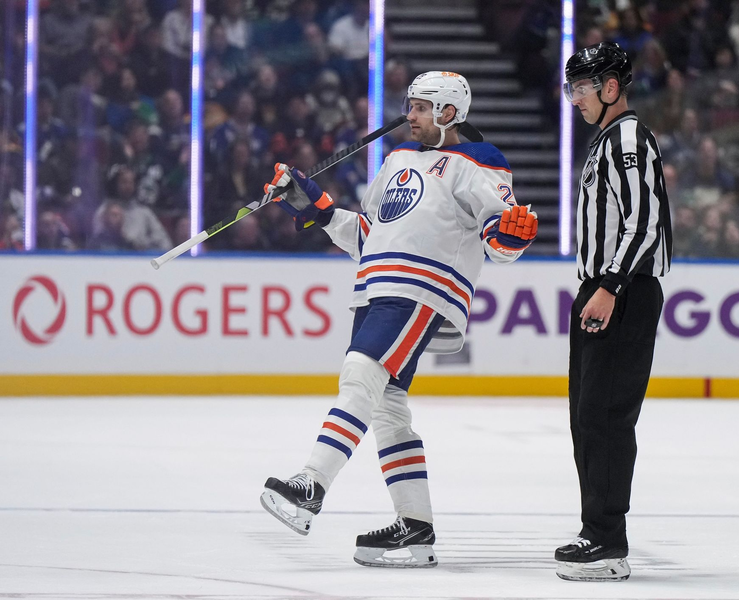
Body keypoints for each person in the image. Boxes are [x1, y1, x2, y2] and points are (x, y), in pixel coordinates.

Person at [259, 72, 538, 568]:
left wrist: (511, 235)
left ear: (449, 113)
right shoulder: (395, 161)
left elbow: (500, 240)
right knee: (387, 406)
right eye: (409, 106)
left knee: (360, 376)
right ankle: (415, 530)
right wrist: (316, 207)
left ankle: (311, 483)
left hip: (422, 289)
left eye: (421, 107)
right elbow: (369, 235)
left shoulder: (479, 161)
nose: (409, 115)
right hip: (375, 287)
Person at [557, 42, 672, 582]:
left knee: (603, 417)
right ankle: (596, 532)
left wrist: (609, 285)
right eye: (572, 88)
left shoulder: (627, 137)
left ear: (610, 88)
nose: (575, 98)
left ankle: (607, 542)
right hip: (605, 289)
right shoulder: (607, 139)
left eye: (582, 88)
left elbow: (643, 220)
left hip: (620, 291)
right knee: (588, 417)